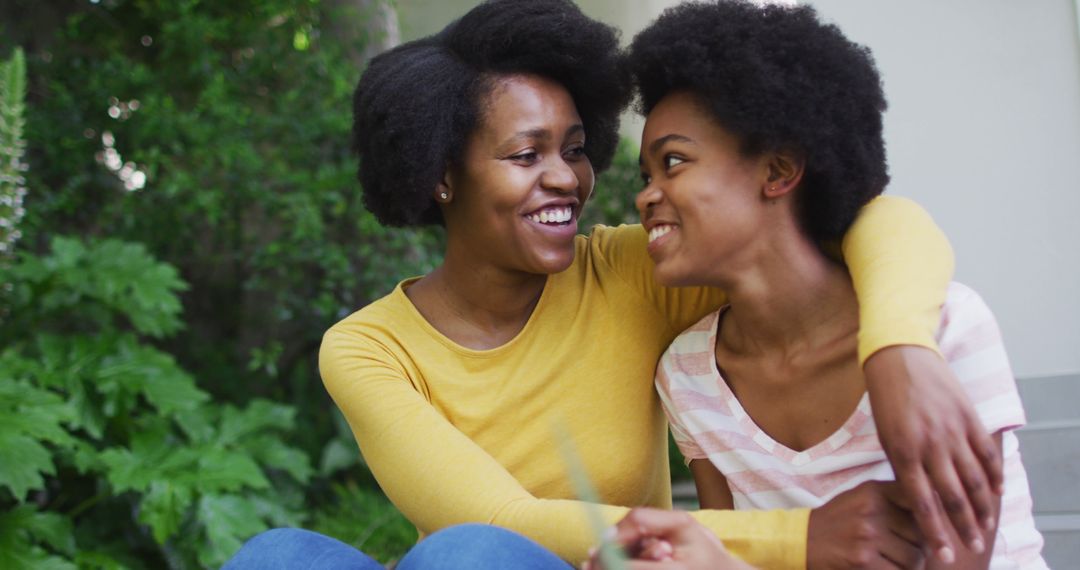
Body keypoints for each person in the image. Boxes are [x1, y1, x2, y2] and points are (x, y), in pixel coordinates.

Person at [225, 1, 1000, 567]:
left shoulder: (635, 270)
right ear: (439, 178)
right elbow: (500, 518)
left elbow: (873, 221)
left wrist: (899, 346)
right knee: (278, 556)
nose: (567, 177)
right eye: (527, 155)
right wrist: (804, 537)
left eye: (575, 148)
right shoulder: (367, 347)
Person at [595, 1, 1045, 568]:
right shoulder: (688, 377)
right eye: (646, 175)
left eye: (675, 162)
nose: (646, 195)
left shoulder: (948, 329)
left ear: (779, 171)